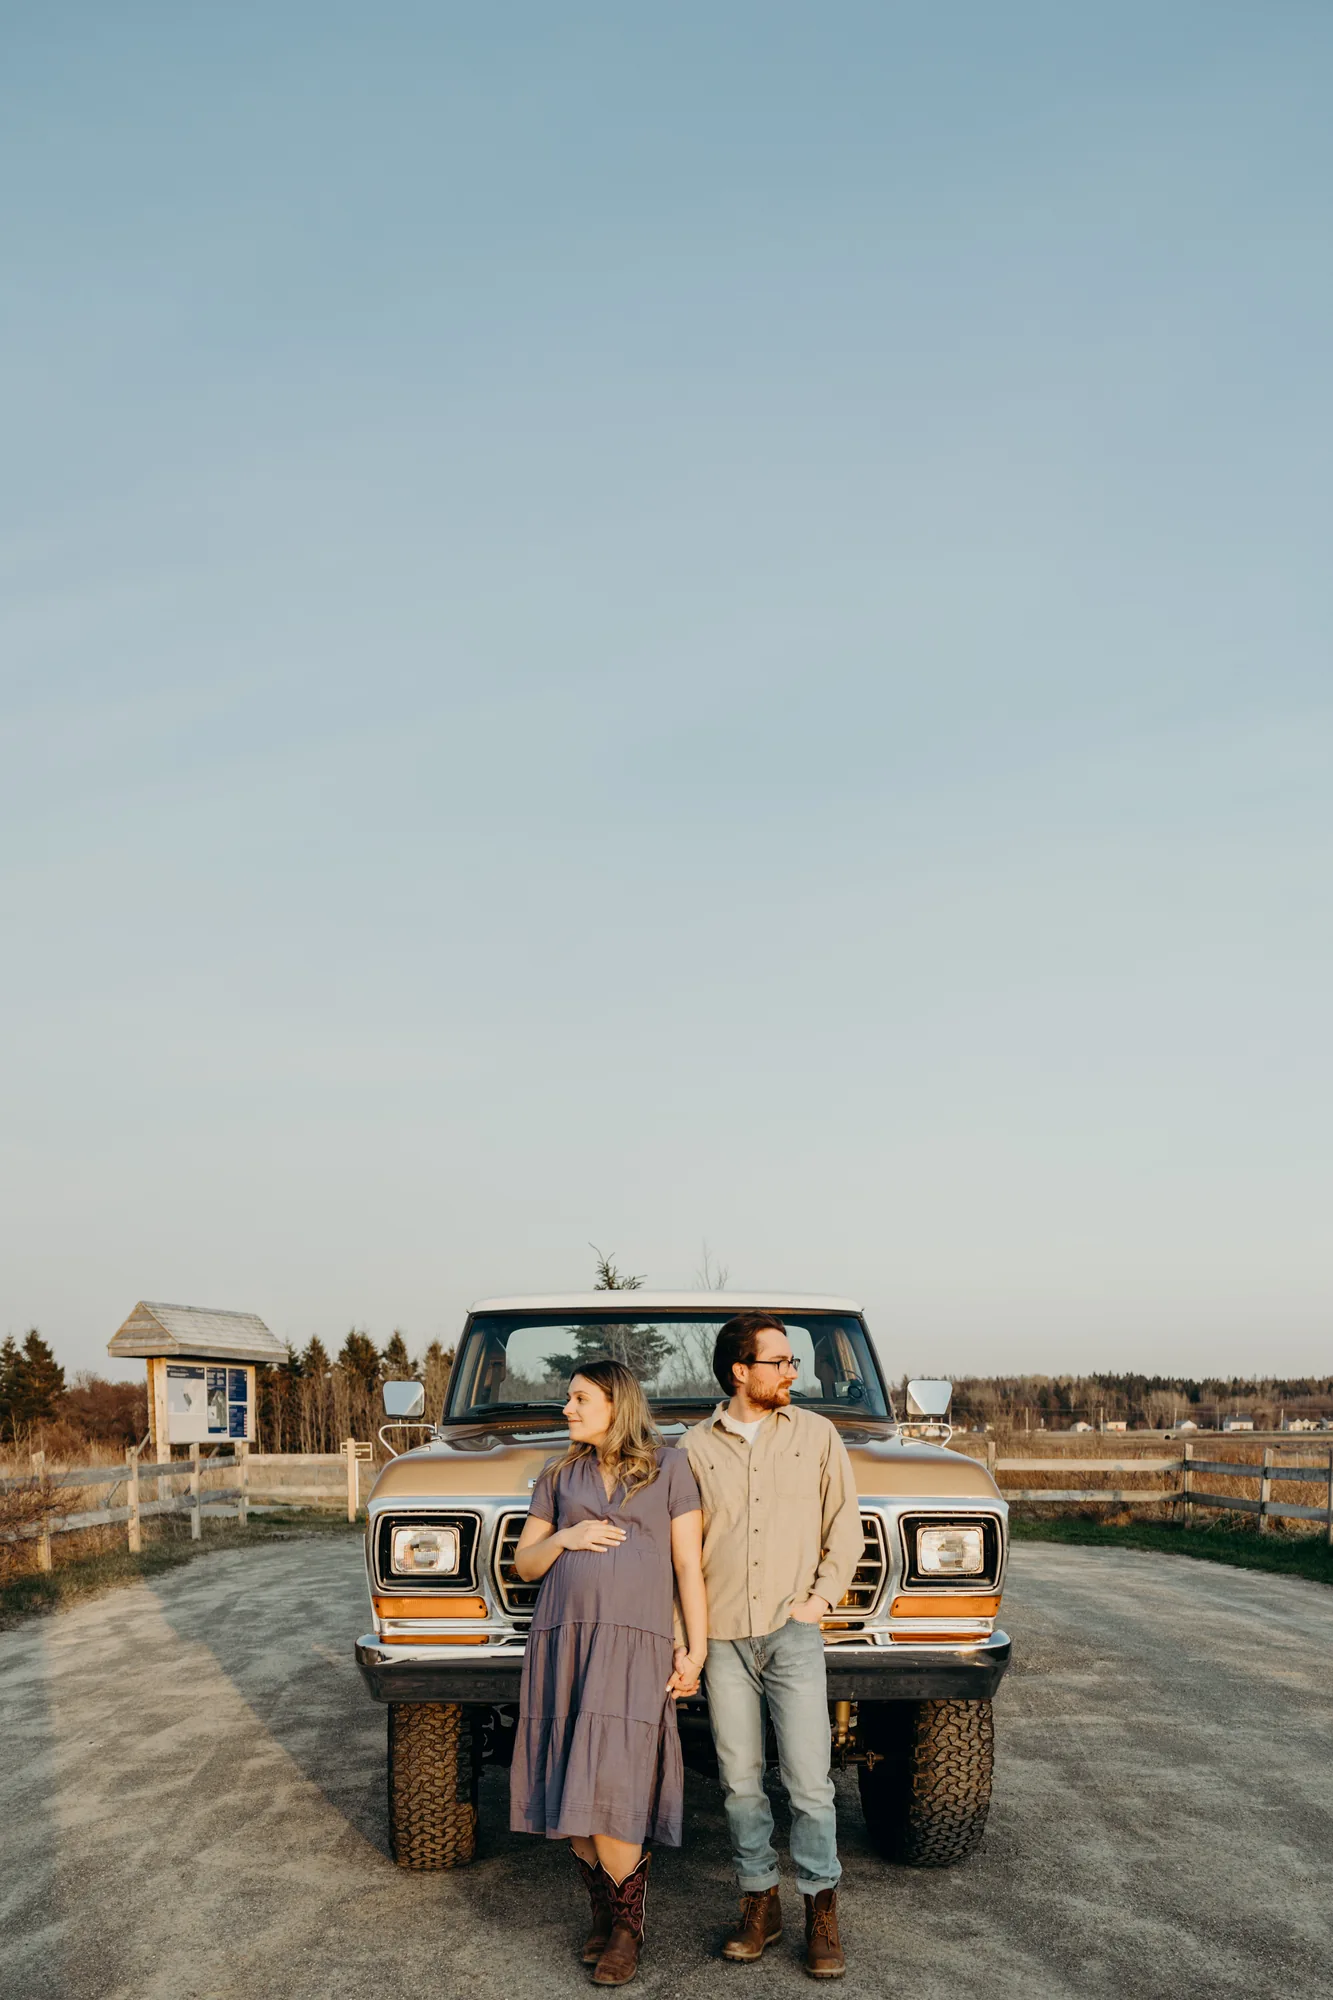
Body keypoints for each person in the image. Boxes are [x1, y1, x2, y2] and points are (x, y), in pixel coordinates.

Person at [511, 1358, 708, 1986]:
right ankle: (604, 1911)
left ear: (616, 1404)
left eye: (579, 1399)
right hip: (564, 1642)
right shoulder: (558, 1474)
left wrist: (694, 1649)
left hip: (635, 1646)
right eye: (569, 1398)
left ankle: (627, 1925)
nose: (566, 1409)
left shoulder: (670, 1467)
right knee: (571, 1768)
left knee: (615, 1775)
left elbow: (688, 1567)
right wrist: (567, 1539)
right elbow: (525, 1564)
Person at [679, 1312, 863, 1979]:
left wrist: (819, 1599)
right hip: (722, 1637)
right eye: (780, 1362)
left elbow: (845, 1528)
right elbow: (683, 1555)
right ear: (740, 1371)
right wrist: (686, 1643)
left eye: (791, 1362)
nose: (793, 1372)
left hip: (792, 1634)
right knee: (738, 1784)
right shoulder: (693, 1448)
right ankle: (759, 1902)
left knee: (810, 1782)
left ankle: (820, 1908)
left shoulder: (816, 1436)